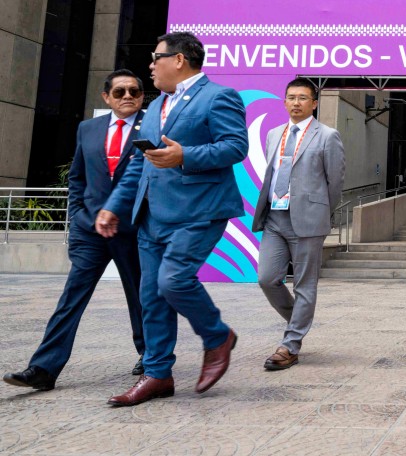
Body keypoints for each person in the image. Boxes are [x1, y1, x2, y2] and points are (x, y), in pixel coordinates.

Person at [96, 32, 248, 407]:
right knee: (151, 296)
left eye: (155, 58)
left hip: (200, 210)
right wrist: (114, 204)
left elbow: (236, 146)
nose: (150, 66)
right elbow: (138, 164)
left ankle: (217, 337)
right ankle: (158, 374)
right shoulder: (156, 107)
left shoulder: (219, 97)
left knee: (173, 281)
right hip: (151, 215)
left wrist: (185, 156)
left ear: (178, 60)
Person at [3, 71, 148, 392]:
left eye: (135, 92)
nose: (128, 96)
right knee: (71, 297)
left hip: (133, 229)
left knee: (141, 296)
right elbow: (77, 178)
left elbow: (148, 177)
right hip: (90, 231)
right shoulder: (89, 129)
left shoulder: (151, 126)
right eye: (120, 91)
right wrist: (79, 219)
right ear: (106, 97)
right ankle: (43, 367)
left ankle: (149, 357)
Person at [252, 77, 345, 371]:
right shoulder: (273, 134)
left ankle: (290, 345)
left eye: (303, 98)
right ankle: (298, 321)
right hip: (275, 218)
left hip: (307, 220)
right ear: (284, 101)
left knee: (305, 285)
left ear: (314, 104)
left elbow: (335, 183)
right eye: (291, 97)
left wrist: (320, 213)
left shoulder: (328, 136)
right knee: (267, 278)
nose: (296, 103)